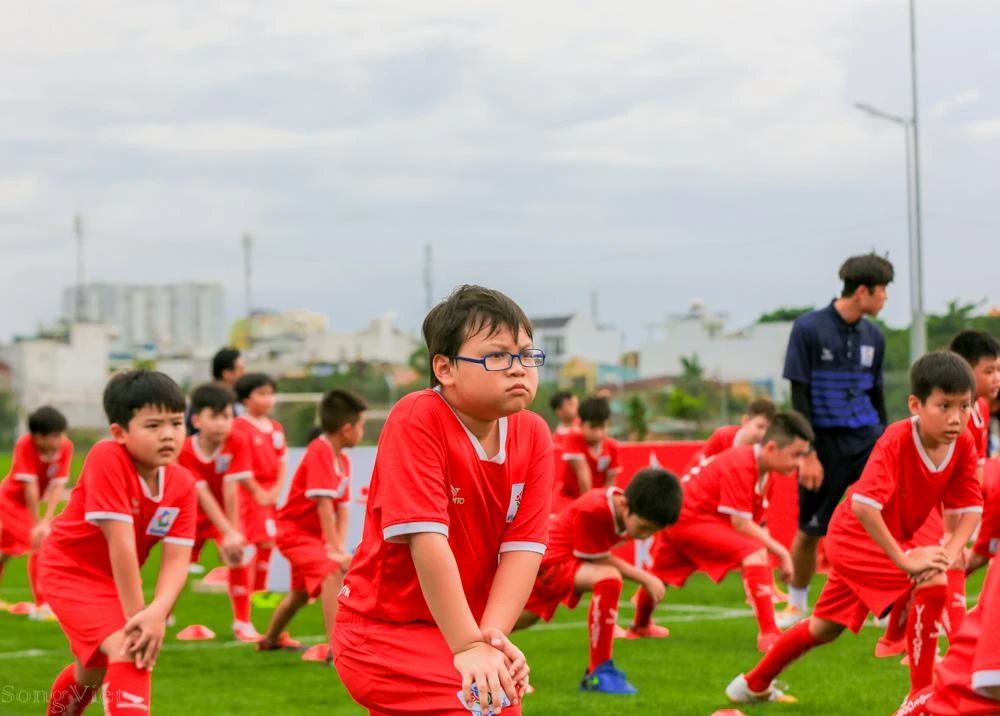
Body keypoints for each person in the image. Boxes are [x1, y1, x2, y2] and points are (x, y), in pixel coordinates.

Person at [333, 284, 552, 715]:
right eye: (497, 356)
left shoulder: (534, 433)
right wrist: (470, 646)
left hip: (456, 630)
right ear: (445, 368)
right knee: (489, 705)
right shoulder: (418, 416)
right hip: (382, 632)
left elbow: (523, 551)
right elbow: (427, 541)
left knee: (496, 696)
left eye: (527, 355)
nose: (518, 369)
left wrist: (491, 643)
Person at [726, 352, 984, 705]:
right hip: (854, 538)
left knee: (823, 627)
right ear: (915, 405)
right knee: (932, 581)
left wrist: (949, 554)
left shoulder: (964, 441)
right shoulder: (896, 439)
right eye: (944, 406)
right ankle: (920, 698)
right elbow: (865, 507)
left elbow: (970, 506)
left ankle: (752, 684)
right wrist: (907, 561)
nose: (957, 418)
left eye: (965, 406)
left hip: (884, 540)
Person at [39, 370, 197, 715]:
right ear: (119, 433)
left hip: (111, 579)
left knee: (90, 672)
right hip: (68, 572)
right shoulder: (107, 456)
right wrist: (138, 617)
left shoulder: (183, 483)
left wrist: (158, 611)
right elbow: (121, 542)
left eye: (175, 423)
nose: (168, 435)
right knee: (132, 647)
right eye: (153, 426)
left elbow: (176, 560)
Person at [631, 413, 813, 652]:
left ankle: (640, 625)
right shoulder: (742, 463)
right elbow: (740, 524)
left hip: (682, 520)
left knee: (659, 575)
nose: (799, 463)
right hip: (688, 520)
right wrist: (782, 554)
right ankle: (769, 634)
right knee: (755, 551)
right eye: (796, 455)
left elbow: (750, 524)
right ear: (771, 448)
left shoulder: (766, 472)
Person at [778, 252, 894, 628]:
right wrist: (807, 451)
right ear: (862, 291)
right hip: (823, 444)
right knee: (811, 528)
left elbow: (876, 395)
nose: (886, 299)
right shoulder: (808, 328)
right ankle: (796, 604)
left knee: (885, 519)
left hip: (867, 440)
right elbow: (799, 394)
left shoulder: (874, 336)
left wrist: (887, 443)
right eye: (882, 291)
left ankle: (883, 603)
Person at [515, 468, 682, 694]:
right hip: (549, 562)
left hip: (557, 562)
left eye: (651, 532)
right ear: (624, 504)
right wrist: (646, 578)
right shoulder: (594, 508)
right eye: (643, 528)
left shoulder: (623, 507)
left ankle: (472, 651)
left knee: (523, 619)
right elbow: (600, 558)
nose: (644, 536)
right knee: (608, 579)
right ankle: (599, 672)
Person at [258, 389, 366, 656]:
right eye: (361, 427)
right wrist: (333, 551)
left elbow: (341, 509)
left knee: (300, 595)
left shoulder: (345, 460)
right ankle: (337, 650)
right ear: (347, 429)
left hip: (313, 538)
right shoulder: (320, 450)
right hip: (293, 532)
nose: (362, 433)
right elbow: (323, 504)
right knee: (331, 571)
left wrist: (338, 546)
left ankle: (270, 640)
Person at [178, 383, 261, 641]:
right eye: (214, 416)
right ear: (196, 419)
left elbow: (231, 488)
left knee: (237, 557)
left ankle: (243, 623)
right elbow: (201, 494)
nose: (222, 423)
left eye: (226, 416)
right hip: (192, 513)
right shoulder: (185, 450)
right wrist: (229, 531)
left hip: (228, 512)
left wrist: (232, 534)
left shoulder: (238, 440)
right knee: (178, 563)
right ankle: (163, 613)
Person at [0, 406, 72, 620]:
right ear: (38, 438)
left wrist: (46, 521)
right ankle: (43, 605)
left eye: (61, 434)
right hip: (11, 502)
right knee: (39, 543)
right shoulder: (25, 445)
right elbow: (29, 487)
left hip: (30, 505)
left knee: (5, 551)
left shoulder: (65, 447)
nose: (60, 440)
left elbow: (58, 486)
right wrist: (37, 523)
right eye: (55, 436)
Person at [232, 373, 286, 595]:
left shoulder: (275, 427)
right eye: (261, 394)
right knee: (249, 544)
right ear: (245, 398)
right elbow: (238, 467)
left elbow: (282, 460)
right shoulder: (239, 426)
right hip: (247, 493)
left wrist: (276, 490)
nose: (268, 399)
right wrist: (256, 491)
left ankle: (258, 591)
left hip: (269, 493)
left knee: (268, 541)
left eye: (271, 394)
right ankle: (247, 592)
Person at [554, 396, 622, 512]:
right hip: (570, 499)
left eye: (602, 426)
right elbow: (583, 474)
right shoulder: (574, 439)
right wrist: (589, 507)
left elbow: (610, 482)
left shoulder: (612, 446)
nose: (598, 432)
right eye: (593, 427)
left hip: (599, 500)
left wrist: (605, 505)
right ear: (581, 424)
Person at [682, 397, 777, 473]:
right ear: (745, 421)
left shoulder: (763, 450)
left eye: (768, 430)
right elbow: (696, 466)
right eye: (760, 427)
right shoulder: (722, 436)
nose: (764, 434)